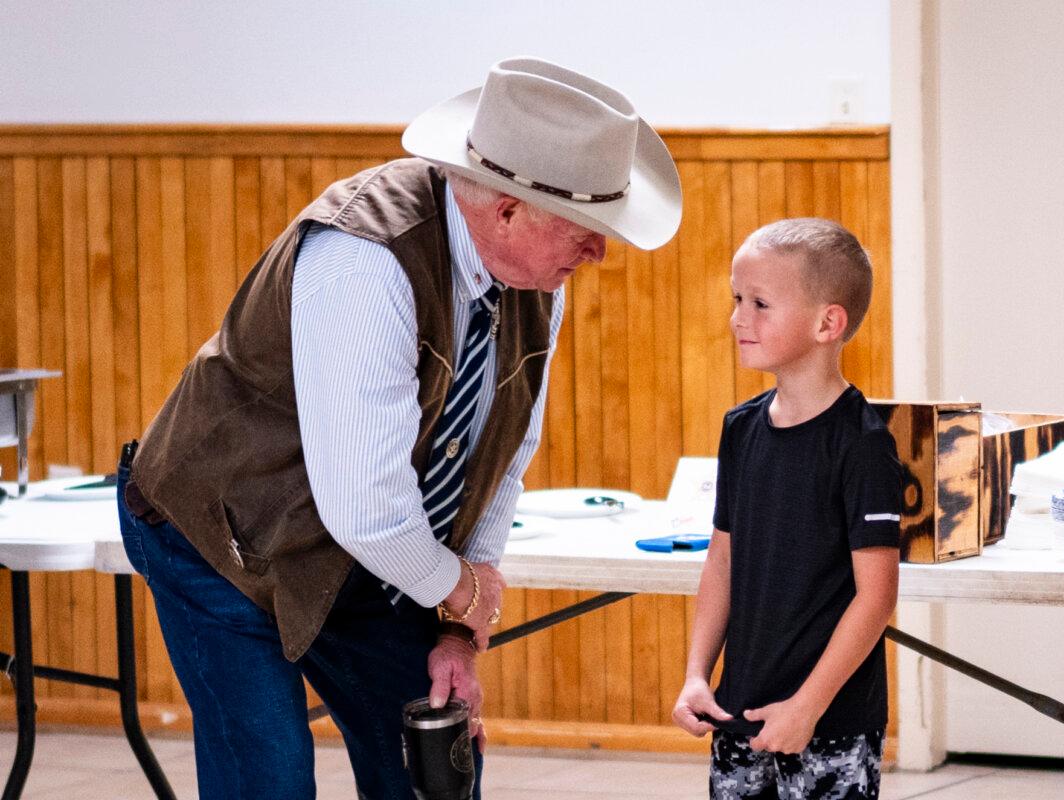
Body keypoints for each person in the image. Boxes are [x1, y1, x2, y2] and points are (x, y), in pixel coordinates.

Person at [115, 57, 681, 800]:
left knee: (437, 767)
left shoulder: (536, 280)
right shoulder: (363, 260)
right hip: (225, 538)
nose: (599, 252)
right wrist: (462, 593)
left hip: (366, 545)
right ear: (506, 210)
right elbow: (368, 510)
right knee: (271, 781)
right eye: (585, 229)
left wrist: (455, 631)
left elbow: (503, 454)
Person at [672, 219, 901, 800]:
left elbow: (876, 597)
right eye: (737, 300)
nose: (738, 319)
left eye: (760, 304)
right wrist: (698, 674)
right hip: (738, 713)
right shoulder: (739, 428)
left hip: (829, 726)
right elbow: (720, 563)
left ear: (829, 322)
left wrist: (808, 706)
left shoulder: (864, 443)